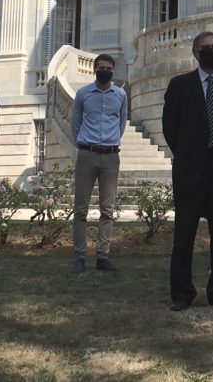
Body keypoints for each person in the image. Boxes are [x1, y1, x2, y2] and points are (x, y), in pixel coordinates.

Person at [163, 31, 213, 310]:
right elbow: (170, 128)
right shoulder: (179, 85)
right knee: (184, 234)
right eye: (206, 47)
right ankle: (182, 294)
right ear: (195, 53)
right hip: (190, 169)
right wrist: (187, 152)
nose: (211, 51)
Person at [69, 53, 128, 273]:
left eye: (109, 67)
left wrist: (111, 142)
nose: (105, 70)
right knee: (81, 208)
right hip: (87, 153)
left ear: (113, 70)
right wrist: (86, 143)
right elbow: (75, 123)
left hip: (111, 156)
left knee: (108, 209)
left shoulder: (121, 94)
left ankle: (103, 255)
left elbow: (121, 123)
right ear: (95, 70)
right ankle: (80, 256)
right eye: (102, 67)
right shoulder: (83, 94)